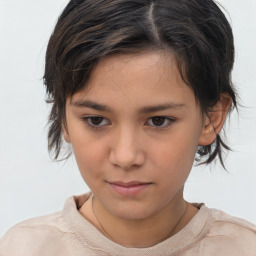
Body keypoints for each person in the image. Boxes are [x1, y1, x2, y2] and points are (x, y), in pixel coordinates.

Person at [0, 0, 255, 255]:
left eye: (158, 121)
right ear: (63, 116)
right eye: (96, 120)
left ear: (211, 117)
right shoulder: (23, 248)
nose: (125, 157)